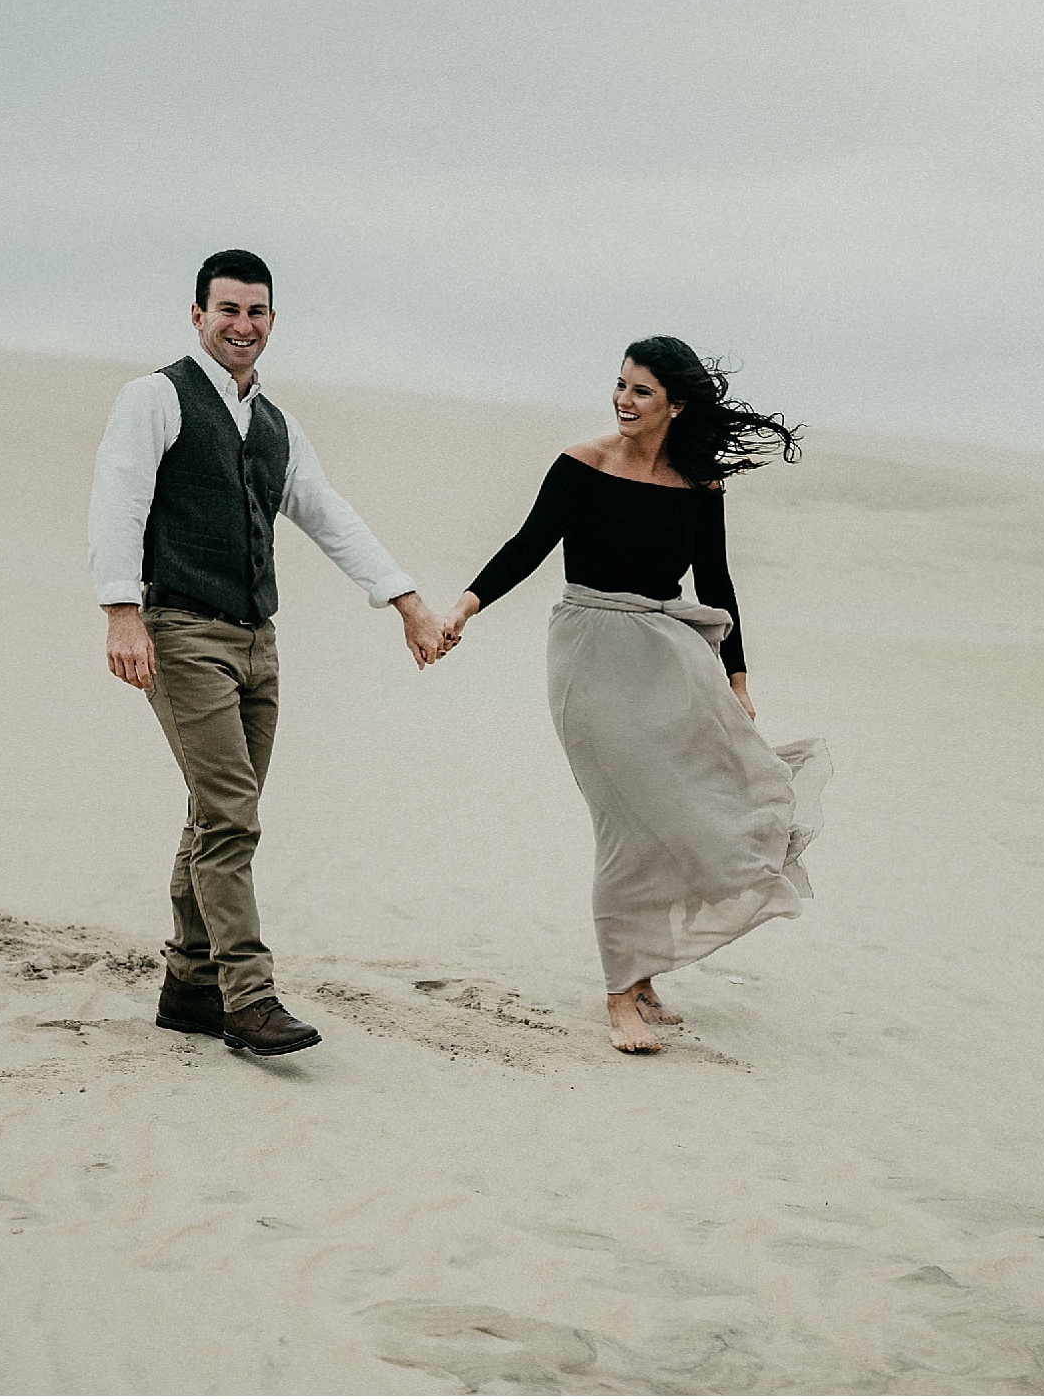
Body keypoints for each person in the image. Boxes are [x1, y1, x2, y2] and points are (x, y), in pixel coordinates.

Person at [88, 249, 447, 1058]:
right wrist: (121, 613)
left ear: (272, 321)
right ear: (196, 315)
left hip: (258, 643)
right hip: (180, 631)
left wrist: (407, 602)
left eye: (256, 312)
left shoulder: (275, 423)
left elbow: (327, 513)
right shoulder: (156, 397)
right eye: (227, 310)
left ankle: (188, 984)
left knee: (216, 816)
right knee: (231, 816)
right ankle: (246, 995)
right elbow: (119, 496)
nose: (242, 326)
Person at [440, 336, 828, 1055]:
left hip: (670, 655)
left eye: (641, 390)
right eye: (619, 384)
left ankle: (644, 977)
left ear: (675, 406)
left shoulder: (699, 485)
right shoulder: (582, 466)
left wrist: (738, 678)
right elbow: (527, 544)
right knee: (625, 823)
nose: (622, 398)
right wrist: (465, 606)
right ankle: (619, 991)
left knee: (680, 813)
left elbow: (716, 582)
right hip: (590, 652)